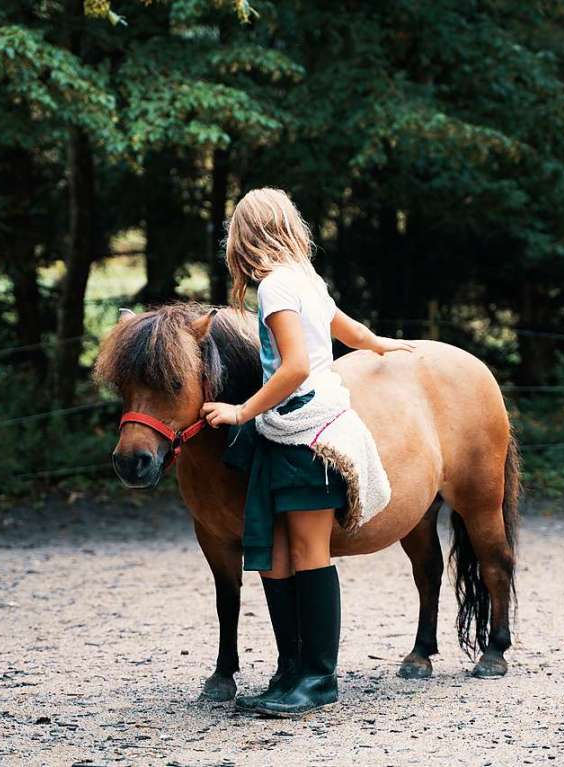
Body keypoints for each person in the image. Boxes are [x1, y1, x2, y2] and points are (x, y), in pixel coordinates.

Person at [200, 188, 414, 717]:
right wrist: (380, 345)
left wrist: (239, 411)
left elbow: (294, 366)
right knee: (274, 555)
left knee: (307, 552)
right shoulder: (306, 280)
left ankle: (318, 678)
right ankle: (289, 671)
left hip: (306, 433)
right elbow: (347, 329)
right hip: (285, 431)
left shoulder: (275, 287)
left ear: (244, 239)